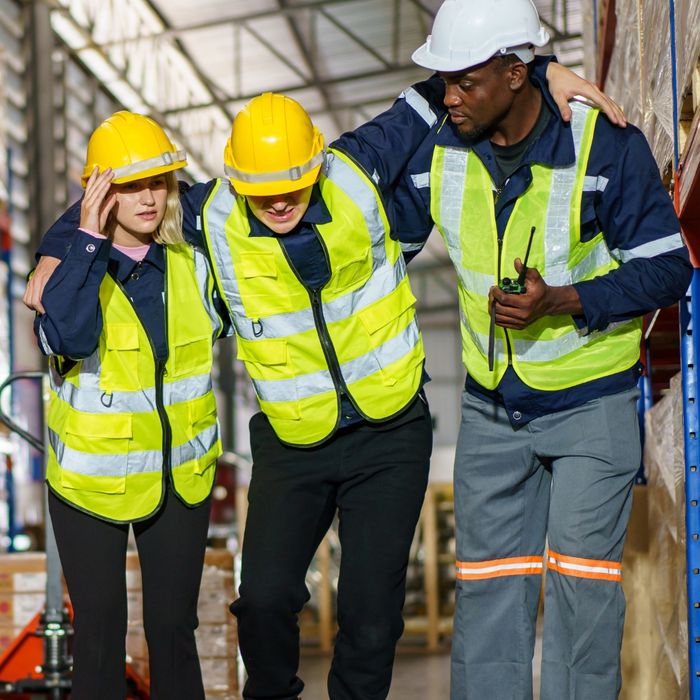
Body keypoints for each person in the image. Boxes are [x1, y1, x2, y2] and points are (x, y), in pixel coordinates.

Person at [26, 65, 624, 700]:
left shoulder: (356, 170)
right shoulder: (213, 214)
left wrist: (535, 71)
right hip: (293, 439)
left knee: (370, 613)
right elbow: (123, 198)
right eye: (262, 191)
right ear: (234, 179)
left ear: (317, 164)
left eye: (293, 185)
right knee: (260, 602)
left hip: (390, 431)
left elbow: (437, 94)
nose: (280, 201)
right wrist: (64, 245)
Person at [392, 0, 694, 698]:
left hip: (592, 406)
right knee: (488, 600)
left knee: (580, 600)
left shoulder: (602, 145)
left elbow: (667, 266)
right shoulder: (439, 144)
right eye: (446, 83)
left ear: (514, 74)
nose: (451, 96)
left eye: (465, 81)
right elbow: (377, 237)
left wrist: (561, 299)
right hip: (493, 411)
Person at [32, 111, 224, 700]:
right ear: (99, 191)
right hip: (90, 485)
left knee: (174, 630)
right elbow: (67, 336)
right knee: (99, 636)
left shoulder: (192, 261)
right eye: (129, 184)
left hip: (179, 481)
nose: (147, 197)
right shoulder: (70, 267)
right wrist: (84, 237)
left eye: (157, 182)